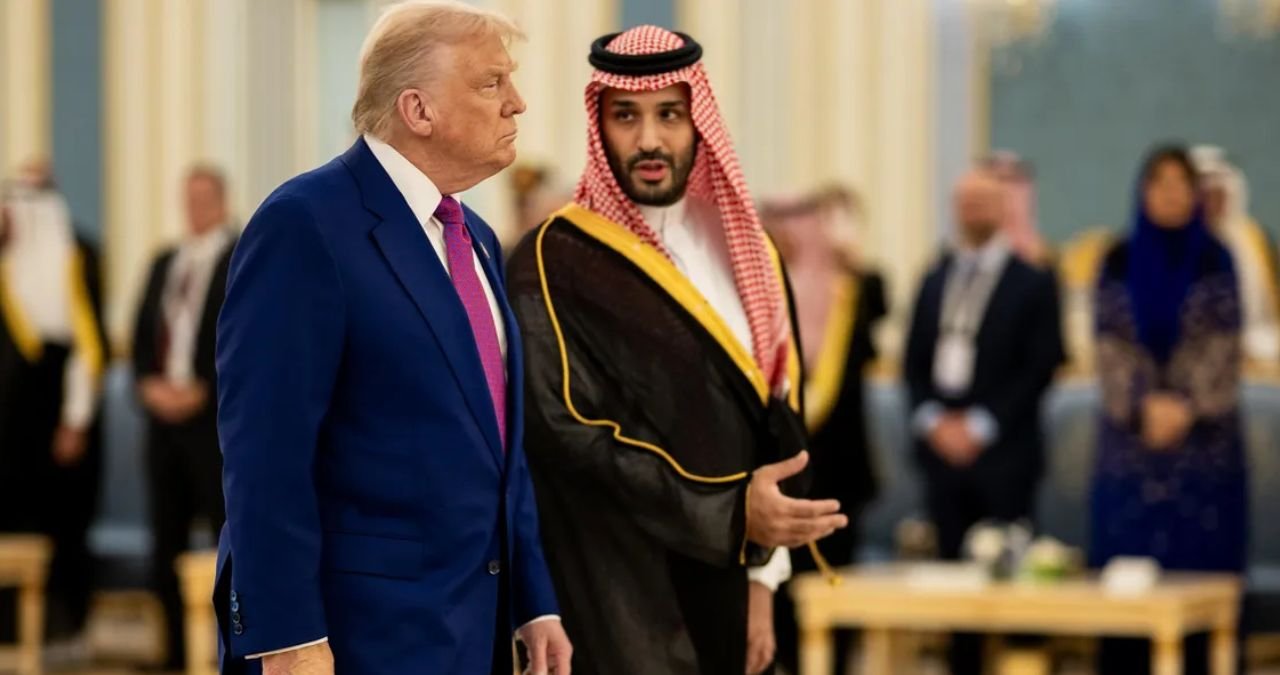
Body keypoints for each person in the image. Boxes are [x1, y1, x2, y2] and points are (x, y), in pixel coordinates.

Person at [213, 3, 569, 674]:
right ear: (419, 109)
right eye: (492, 83)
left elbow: (499, 446)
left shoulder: (479, 240)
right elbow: (264, 453)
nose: (517, 103)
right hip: (354, 636)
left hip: (475, 626)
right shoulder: (305, 223)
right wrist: (286, 636)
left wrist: (534, 601)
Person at [506, 26, 848, 675]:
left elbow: (775, 420)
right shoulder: (553, 260)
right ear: (599, 123)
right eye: (626, 115)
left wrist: (761, 581)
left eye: (671, 114)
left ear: (699, 120)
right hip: (617, 593)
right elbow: (564, 431)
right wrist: (728, 512)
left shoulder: (752, 252)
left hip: (733, 586)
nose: (650, 140)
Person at [1091, 145, 1247, 675]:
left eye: (1182, 182)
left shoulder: (1217, 259)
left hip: (1202, 456)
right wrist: (1142, 406)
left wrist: (1183, 407)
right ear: (1143, 191)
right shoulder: (1116, 259)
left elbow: (1225, 348)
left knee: (1199, 596)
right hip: (1129, 456)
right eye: (1159, 181)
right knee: (1126, 608)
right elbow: (1108, 344)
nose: (1171, 192)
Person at [903, 167, 1065, 675]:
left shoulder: (1033, 281)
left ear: (1003, 209)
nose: (973, 211)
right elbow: (913, 361)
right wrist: (934, 421)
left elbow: (1041, 363)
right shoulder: (934, 278)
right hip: (942, 454)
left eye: (983, 202)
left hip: (1004, 453)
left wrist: (980, 425)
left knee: (1013, 585)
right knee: (954, 588)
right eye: (965, 201)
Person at [764, 188, 888, 675]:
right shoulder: (763, 287)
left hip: (840, 467)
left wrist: (842, 263)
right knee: (779, 587)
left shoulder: (855, 289)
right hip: (778, 464)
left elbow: (877, 323)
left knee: (836, 582)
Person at [131, 165, 237, 670]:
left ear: (220, 201)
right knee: (164, 538)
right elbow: (139, 334)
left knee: (225, 536)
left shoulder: (238, 255)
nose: (194, 208)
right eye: (187, 198)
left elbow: (242, 338)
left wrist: (204, 390)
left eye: (203, 198)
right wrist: (148, 384)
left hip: (212, 421)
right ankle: (172, 652)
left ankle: (229, 648)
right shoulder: (164, 260)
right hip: (162, 422)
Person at [0, 161, 107, 642]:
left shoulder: (76, 254)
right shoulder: (6, 261)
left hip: (62, 413)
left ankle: (65, 630)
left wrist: (75, 421)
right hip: (12, 419)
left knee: (63, 524)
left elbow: (88, 348)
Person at [1191, 145, 1280, 365]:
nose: (1211, 204)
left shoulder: (1254, 241)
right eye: (1204, 196)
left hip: (1258, 348)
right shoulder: (1167, 244)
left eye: (1217, 195)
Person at [983, 150, 1052, 269]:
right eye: (999, 181)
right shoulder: (966, 257)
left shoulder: (1041, 257)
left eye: (1014, 181)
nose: (1007, 190)